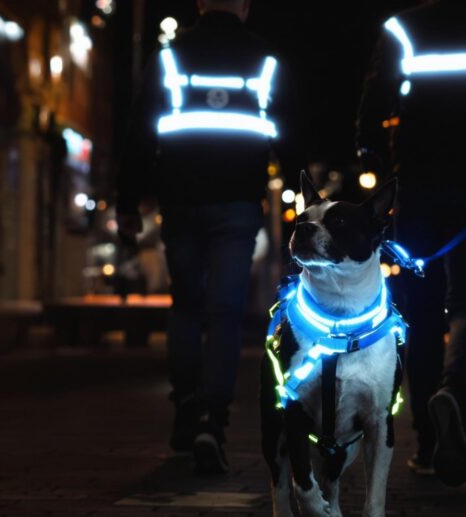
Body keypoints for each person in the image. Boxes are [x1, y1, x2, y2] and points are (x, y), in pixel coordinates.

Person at [117, 0, 299, 474]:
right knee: (225, 311)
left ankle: (186, 408)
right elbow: (289, 135)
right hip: (238, 201)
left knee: (186, 305)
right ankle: (213, 420)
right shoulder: (265, 60)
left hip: (181, 200)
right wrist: (307, 199)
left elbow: (140, 132)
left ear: (200, 3)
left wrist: (127, 202)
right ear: (244, 6)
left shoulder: (171, 58)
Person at [357, 0, 466, 486]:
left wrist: (373, 157)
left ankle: (428, 443)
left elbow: (374, 102)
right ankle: (454, 393)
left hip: (419, 185)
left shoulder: (404, 27)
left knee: (423, 309)